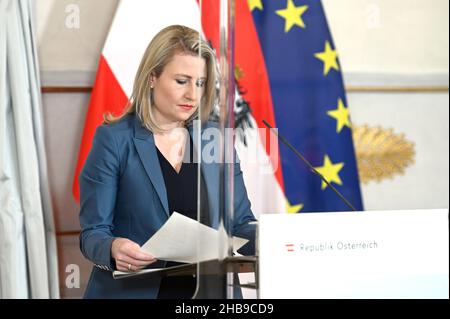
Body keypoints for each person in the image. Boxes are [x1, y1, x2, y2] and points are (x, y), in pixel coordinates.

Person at [79, 25, 256, 299]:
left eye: (199, 83)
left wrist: (277, 240)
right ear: (152, 78)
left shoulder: (215, 138)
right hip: (136, 292)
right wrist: (113, 248)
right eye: (182, 81)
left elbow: (241, 224)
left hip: (208, 294)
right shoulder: (114, 139)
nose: (193, 95)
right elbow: (93, 233)